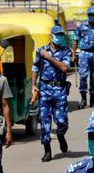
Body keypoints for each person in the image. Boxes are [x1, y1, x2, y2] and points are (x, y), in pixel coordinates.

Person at [31, 25, 72, 162]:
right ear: (51, 35)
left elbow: (65, 67)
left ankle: (60, 135)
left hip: (59, 89)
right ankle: (47, 150)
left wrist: (49, 57)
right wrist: (33, 85)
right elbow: (35, 67)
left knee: (62, 121)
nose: (59, 37)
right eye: (57, 34)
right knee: (44, 121)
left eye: (61, 35)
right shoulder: (41, 50)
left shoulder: (65, 51)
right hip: (45, 89)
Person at [72, 7, 94, 109]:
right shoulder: (81, 27)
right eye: (90, 15)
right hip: (84, 54)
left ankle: (92, 99)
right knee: (83, 76)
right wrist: (73, 55)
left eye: (93, 15)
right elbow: (75, 41)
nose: (91, 17)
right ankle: (83, 99)